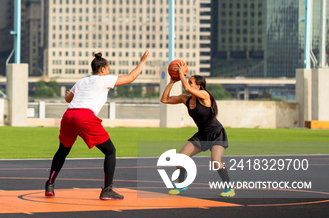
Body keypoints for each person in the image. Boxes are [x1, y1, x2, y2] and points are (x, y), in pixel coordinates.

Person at [45, 50, 149, 200]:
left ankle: (50, 184)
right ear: (102, 69)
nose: (109, 71)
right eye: (108, 69)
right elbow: (131, 77)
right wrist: (142, 62)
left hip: (68, 116)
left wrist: (69, 93)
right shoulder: (103, 80)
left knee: (62, 151)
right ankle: (107, 190)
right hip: (84, 117)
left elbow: (68, 99)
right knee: (110, 151)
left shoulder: (82, 81)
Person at [159, 64, 235, 197]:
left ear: (198, 87)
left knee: (215, 160)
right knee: (181, 158)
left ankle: (229, 189)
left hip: (216, 133)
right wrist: (171, 81)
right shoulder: (185, 99)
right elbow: (164, 99)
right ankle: (182, 186)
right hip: (202, 135)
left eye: (190, 82)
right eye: (188, 81)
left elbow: (187, 88)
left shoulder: (205, 95)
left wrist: (181, 73)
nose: (187, 84)